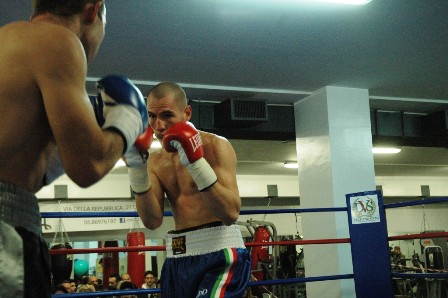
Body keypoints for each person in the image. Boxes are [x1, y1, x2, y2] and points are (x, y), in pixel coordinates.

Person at [0, 1, 149, 297]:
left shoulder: (8, 41)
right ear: (93, 10)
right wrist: (128, 122)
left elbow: (20, 162)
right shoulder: (57, 40)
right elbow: (87, 166)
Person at [128, 82, 251, 297]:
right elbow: (152, 221)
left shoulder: (215, 146)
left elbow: (231, 213)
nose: (158, 125)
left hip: (220, 254)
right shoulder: (155, 161)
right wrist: (137, 174)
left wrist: (197, 165)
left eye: (167, 115)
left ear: (187, 113)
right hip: (179, 258)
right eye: (152, 116)